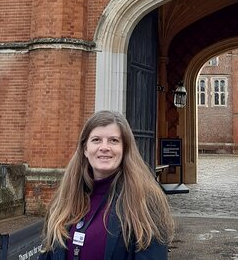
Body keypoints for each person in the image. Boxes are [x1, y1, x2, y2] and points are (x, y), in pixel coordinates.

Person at [39, 110, 175, 260]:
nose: (104, 147)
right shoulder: (65, 199)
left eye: (114, 140)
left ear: (125, 149)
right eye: (96, 140)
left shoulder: (146, 201)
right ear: (85, 149)